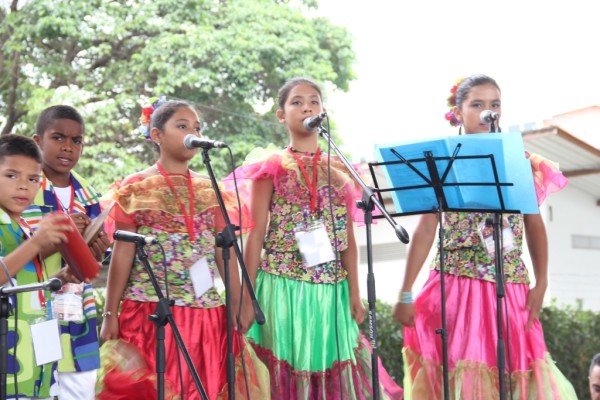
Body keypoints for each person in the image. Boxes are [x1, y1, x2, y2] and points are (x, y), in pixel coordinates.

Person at [392, 74, 577, 399]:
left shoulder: (516, 160)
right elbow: (425, 229)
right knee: (458, 377)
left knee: (513, 373)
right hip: (454, 285)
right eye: (477, 104)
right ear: (458, 113)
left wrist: (542, 282)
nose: (487, 111)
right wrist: (405, 292)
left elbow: (534, 226)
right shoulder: (444, 161)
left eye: (494, 105)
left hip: (508, 287)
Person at [236, 77, 403, 399]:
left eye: (314, 101)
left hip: (332, 291)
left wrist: (355, 293)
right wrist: (247, 298)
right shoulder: (270, 169)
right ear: (281, 115)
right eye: (297, 102)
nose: (307, 107)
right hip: (281, 288)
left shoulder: (339, 172)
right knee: (285, 377)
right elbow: (255, 236)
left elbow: (348, 241)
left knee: (332, 378)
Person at [98, 98, 268, 399]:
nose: (193, 131)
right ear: (156, 135)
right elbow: (122, 253)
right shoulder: (136, 187)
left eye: (197, 127)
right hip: (151, 312)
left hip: (206, 314)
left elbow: (223, 252)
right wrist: (110, 312)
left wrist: (239, 300)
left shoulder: (211, 188)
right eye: (182, 125)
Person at [20, 105, 110, 400]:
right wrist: (59, 236)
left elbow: (93, 264)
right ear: (37, 141)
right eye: (58, 138)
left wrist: (96, 249)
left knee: (81, 388)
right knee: (39, 387)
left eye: (76, 141)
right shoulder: (22, 189)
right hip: (33, 311)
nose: (68, 147)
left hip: (78, 313)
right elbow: (15, 253)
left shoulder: (90, 194)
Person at [0, 134, 81, 399]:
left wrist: (57, 278)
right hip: (8, 360)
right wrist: (36, 243)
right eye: (11, 176)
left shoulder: (22, 226)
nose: (23, 186)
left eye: (33, 179)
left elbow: (17, 283)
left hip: (35, 359)